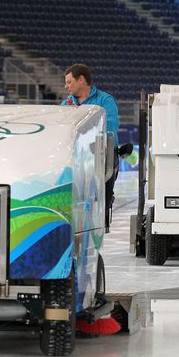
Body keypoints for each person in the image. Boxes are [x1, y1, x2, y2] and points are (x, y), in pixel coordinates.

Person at [62, 64, 119, 232]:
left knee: (106, 175)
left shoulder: (105, 100)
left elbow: (110, 125)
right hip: (76, 155)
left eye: (69, 82)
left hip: (101, 153)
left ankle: (103, 215)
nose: (66, 86)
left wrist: (81, 128)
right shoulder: (66, 104)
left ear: (81, 80)